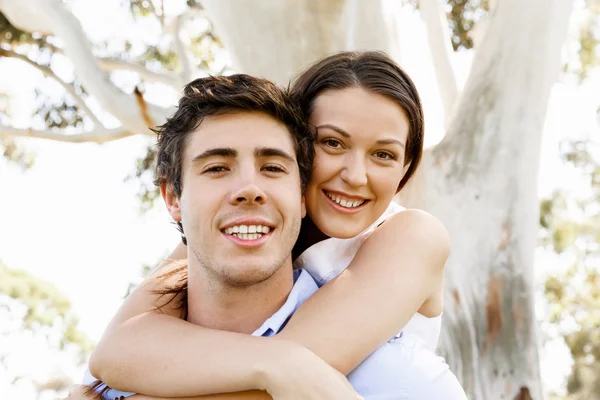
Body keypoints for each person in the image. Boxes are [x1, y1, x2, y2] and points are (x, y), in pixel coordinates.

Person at [81, 52, 466, 399]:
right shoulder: (237, 228)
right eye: (332, 143)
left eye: (383, 154)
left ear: (405, 169)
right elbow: (117, 347)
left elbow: (287, 378)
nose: (355, 175)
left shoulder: (411, 238)